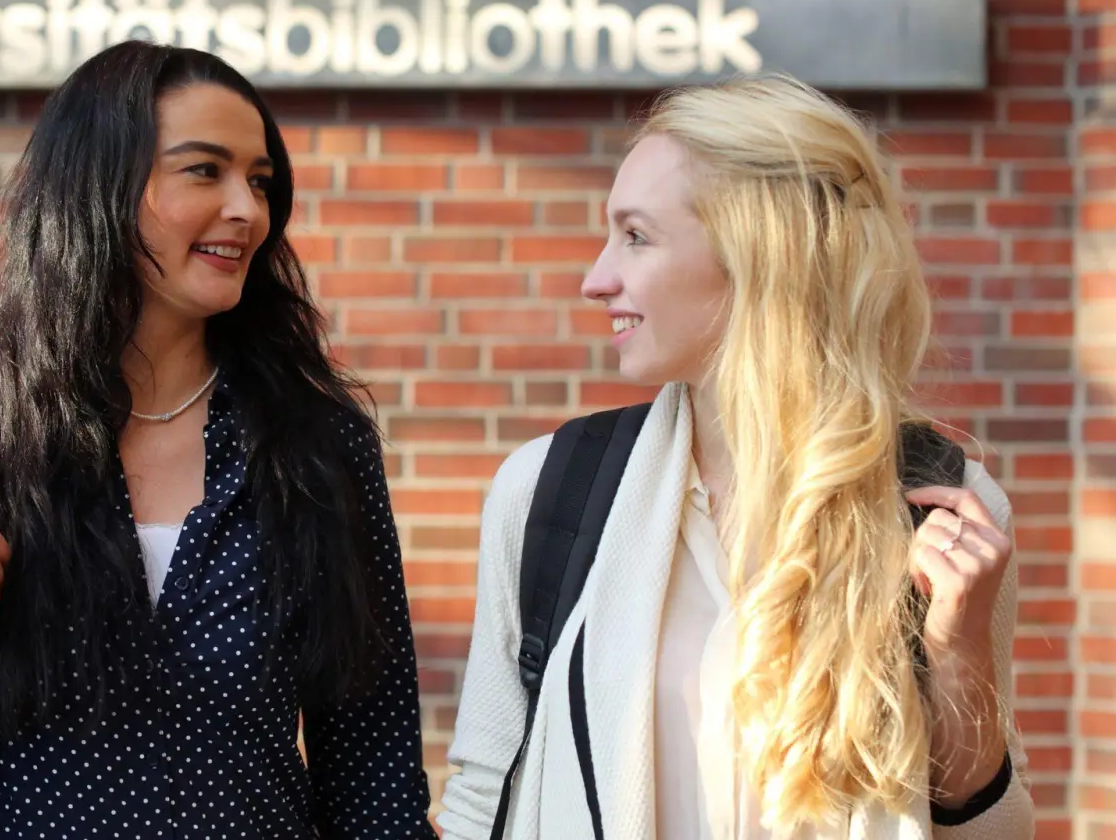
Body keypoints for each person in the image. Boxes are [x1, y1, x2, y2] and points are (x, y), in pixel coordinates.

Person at [0, 40, 439, 840]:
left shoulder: (318, 447)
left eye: (261, 180)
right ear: (98, 185)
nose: (247, 208)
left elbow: (374, 780)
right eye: (204, 171)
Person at [437, 75, 1034, 840]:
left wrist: (958, 652)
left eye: (636, 236)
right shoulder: (549, 491)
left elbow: (993, 828)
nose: (596, 279)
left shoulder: (943, 509)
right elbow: (482, 797)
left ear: (757, 253)